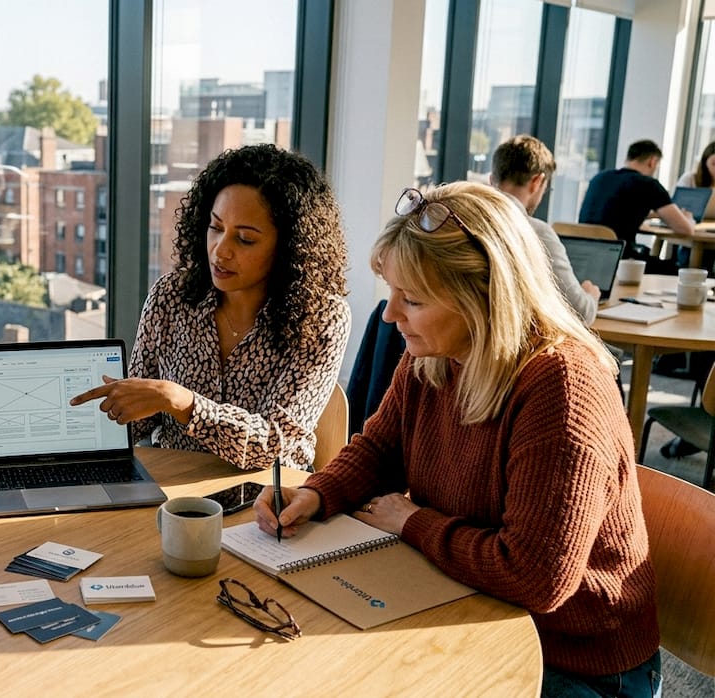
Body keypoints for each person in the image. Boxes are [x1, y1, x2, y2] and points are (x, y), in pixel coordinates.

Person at [255, 181, 661, 697]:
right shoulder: (434, 354)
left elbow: (536, 579)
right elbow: (381, 449)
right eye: (392, 293)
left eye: (414, 299)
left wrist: (412, 522)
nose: (389, 315)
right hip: (466, 601)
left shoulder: (562, 387)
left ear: (484, 297)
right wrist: (317, 493)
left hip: (575, 659)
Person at [70, 144, 350, 471]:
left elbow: (274, 446)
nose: (220, 251)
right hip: (173, 492)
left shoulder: (321, 318)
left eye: (244, 239)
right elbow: (139, 422)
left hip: (267, 500)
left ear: (289, 246)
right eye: (216, 228)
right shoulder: (172, 295)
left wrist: (181, 402)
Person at [491, 135, 599, 324]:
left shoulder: (462, 220)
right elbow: (580, 313)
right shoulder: (533, 232)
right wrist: (591, 295)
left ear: (492, 180)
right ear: (537, 182)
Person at [579, 139, 695, 273]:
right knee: (678, 270)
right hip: (620, 260)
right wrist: (688, 219)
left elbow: (616, 212)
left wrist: (653, 215)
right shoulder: (649, 185)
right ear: (652, 161)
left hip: (584, 256)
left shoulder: (600, 178)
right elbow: (686, 229)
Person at [675, 140, 715, 220]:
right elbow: (677, 209)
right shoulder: (689, 178)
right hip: (690, 224)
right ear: (705, 163)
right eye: (714, 163)